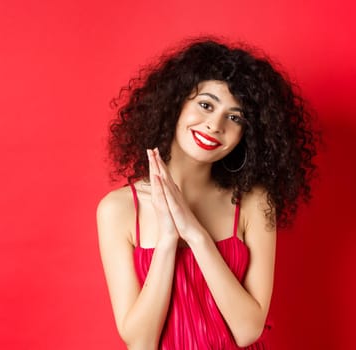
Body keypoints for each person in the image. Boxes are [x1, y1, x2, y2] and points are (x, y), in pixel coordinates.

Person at [97, 38, 317, 349]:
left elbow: (247, 330)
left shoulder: (253, 202)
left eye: (235, 117)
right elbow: (140, 341)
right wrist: (169, 239)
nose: (215, 125)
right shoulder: (118, 210)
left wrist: (196, 234)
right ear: (175, 104)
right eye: (206, 105)